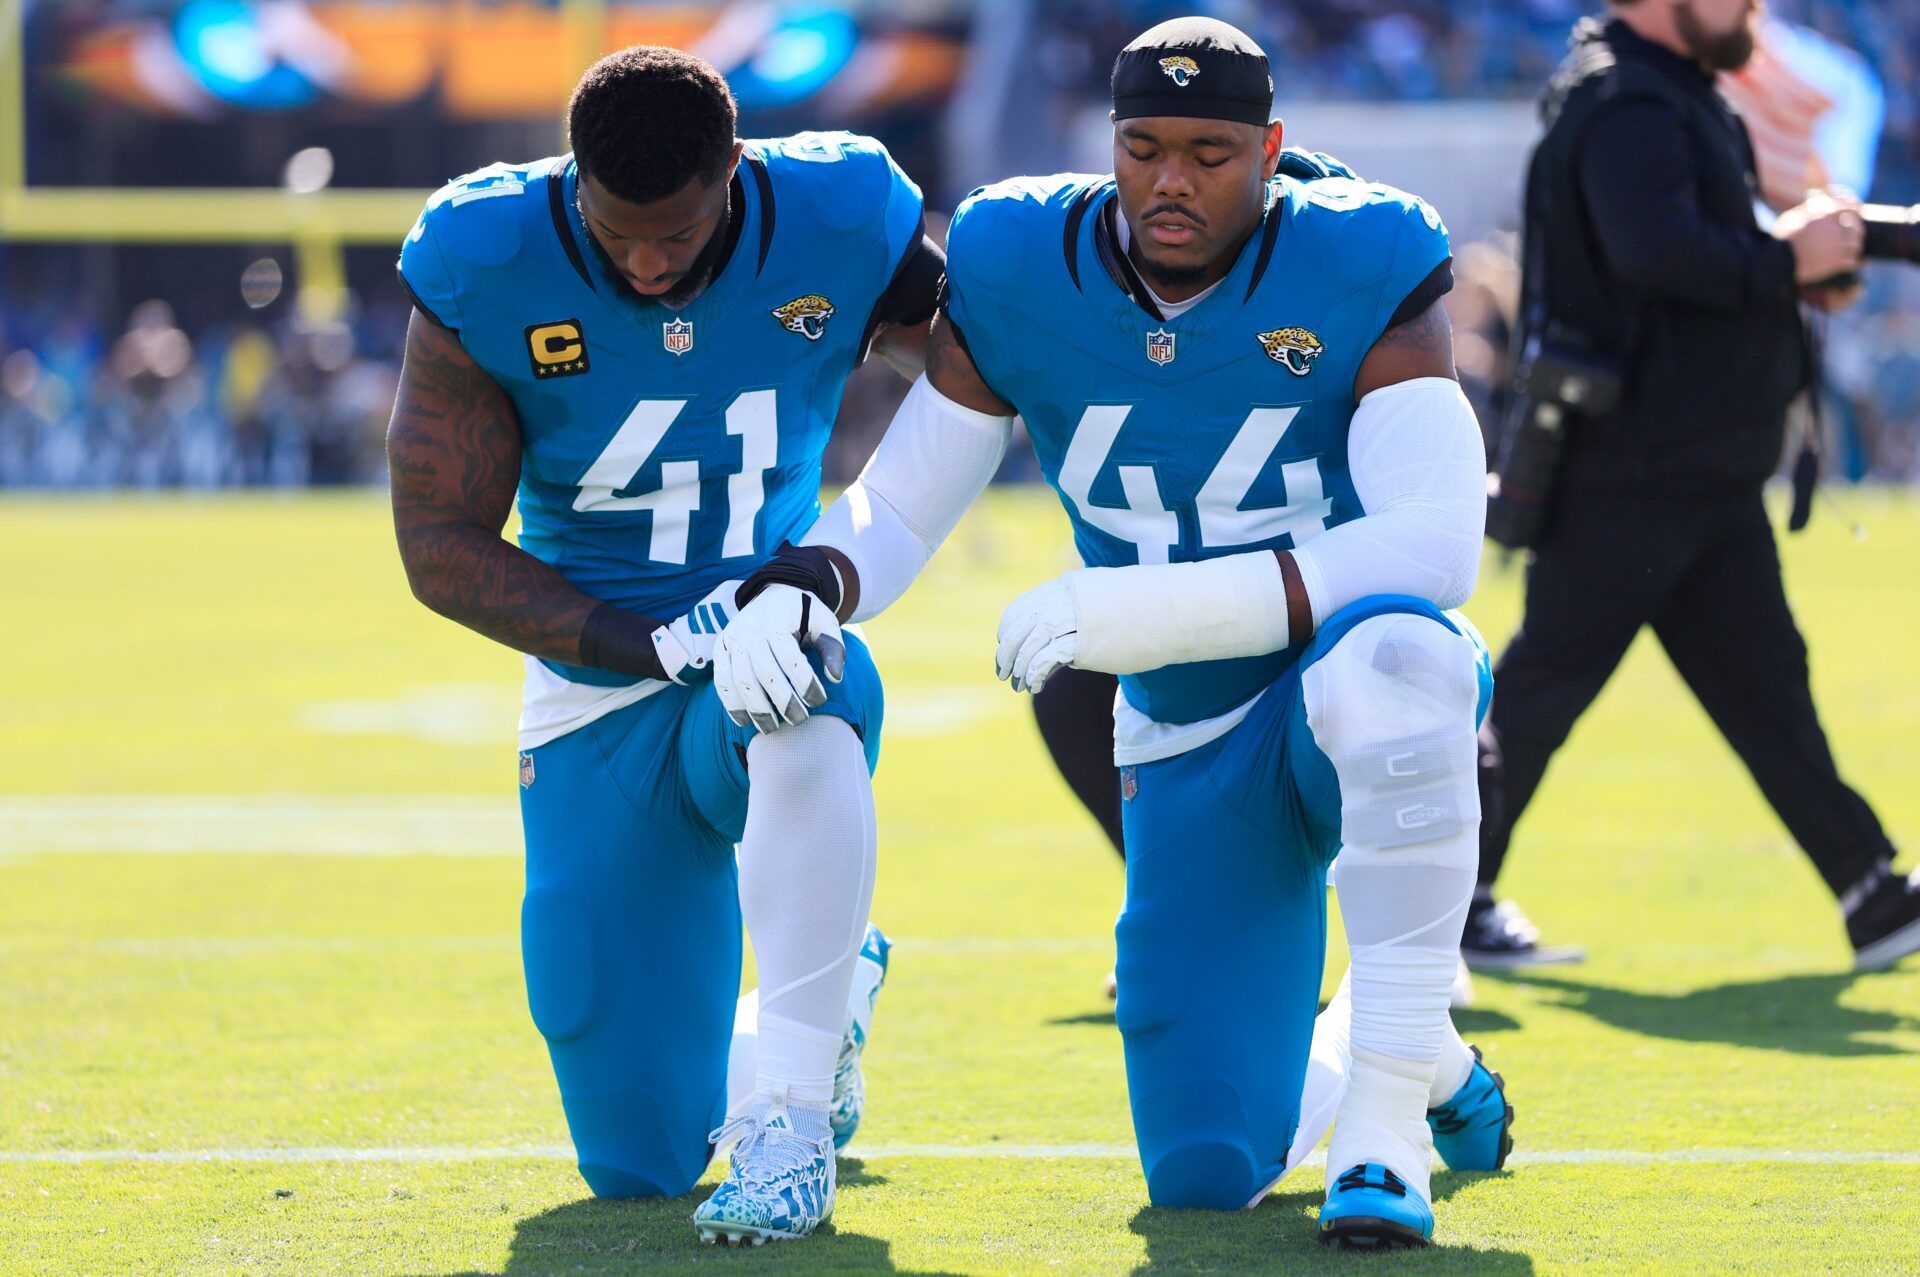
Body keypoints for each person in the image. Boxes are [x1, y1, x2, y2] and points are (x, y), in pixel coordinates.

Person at [714, 18, 1513, 1248]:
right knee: (1204, 1168)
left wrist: (1136, 609)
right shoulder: (1019, 256)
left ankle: (1388, 1125)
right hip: (1185, 726)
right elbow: (909, 499)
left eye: (1210, 153)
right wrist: (803, 577)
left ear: (1271, 152)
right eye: (1143, 148)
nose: (1170, 181)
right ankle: (1411, 1036)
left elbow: (1433, 546)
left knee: (1397, 660)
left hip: (1335, 690)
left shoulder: (1363, 250)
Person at [386, 46, 945, 1245]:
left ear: (733, 170)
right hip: (599, 685)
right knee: (638, 1158)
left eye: (677, 235)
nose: (646, 265)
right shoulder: (489, 250)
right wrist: (655, 645)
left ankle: (792, 1120)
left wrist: (824, 573)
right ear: (572, 178)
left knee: (798, 695)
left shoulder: (840, 211)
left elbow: (974, 380)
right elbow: (437, 542)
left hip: (776, 631)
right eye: (617, 234)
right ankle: (833, 976)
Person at [1470, 0, 1920, 972]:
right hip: (1636, 470)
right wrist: (1787, 258)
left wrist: (1799, 261)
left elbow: (1690, 254)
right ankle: (1442, 896)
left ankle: (1871, 888)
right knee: (1544, 688)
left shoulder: (1665, 93)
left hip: (1693, 469)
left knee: (1764, 687)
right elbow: (1657, 254)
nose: (1751, 6)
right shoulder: (1630, 102)